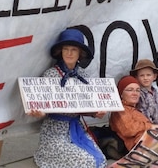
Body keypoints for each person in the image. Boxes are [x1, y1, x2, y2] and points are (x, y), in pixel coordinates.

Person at [30, 28, 106, 168]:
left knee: (100, 160)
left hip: (76, 128)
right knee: (86, 162)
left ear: (80, 54)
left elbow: (85, 105)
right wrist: (41, 113)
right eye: (66, 49)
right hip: (54, 132)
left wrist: (95, 113)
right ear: (61, 52)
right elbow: (44, 106)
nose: (69, 53)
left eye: (74, 50)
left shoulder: (84, 76)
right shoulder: (50, 75)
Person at [109, 75, 158, 150]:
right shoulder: (119, 110)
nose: (135, 93)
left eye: (137, 90)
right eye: (130, 90)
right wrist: (150, 126)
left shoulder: (136, 108)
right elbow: (129, 130)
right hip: (138, 149)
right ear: (121, 94)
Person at [129, 59, 158, 124]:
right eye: (142, 75)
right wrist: (152, 126)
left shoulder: (155, 91)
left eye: (148, 75)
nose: (145, 78)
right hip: (147, 127)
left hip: (157, 126)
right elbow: (143, 114)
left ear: (154, 76)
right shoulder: (139, 94)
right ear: (136, 78)